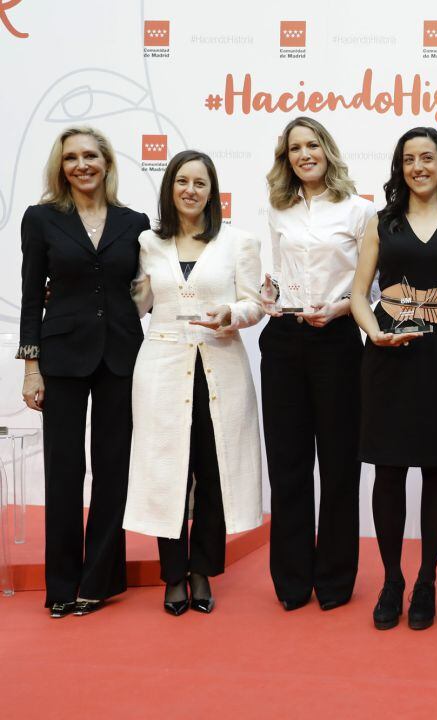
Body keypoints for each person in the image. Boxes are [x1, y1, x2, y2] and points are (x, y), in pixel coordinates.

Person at [123, 150, 264, 615]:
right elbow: (138, 301)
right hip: (161, 366)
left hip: (219, 365)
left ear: (212, 191)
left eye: (200, 183)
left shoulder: (237, 242)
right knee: (168, 471)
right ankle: (172, 575)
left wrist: (233, 314)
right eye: (182, 181)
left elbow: (254, 303)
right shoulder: (147, 242)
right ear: (170, 188)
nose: (190, 190)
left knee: (212, 471)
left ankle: (202, 570)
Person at [18, 126, 150, 618]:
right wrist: (32, 368)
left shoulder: (134, 221)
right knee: (65, 472)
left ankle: (99, 579)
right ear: (61, 166)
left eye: (90, 155)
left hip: (120, 356)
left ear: (107, 162)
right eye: (71, 157)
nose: (82, 165)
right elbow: (33, 295)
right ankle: (62, 586)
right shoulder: (41, 219)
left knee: (114, 470)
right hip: (62, 359)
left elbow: (144, 288)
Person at [351, 127, 437, 631]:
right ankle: (391, 581)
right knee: (387, 471)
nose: (419, 167)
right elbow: (360, 294)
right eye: (409, 159)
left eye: (428, 157)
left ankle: (426, 579)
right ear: (399, 168)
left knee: (436, 469)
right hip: (385, 356)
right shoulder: (381, 223)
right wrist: (374, 334)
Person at [260, 116, 376, 612]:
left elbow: (368, 289)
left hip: (338, 341)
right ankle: (291, 580)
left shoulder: (360, 211)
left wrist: (339, 308)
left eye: (311, 145)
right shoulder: (278, 209)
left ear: (327, 150)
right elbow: (278, 274)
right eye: (294, 149)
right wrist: (269, 294)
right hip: (284, 339)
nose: (304, 154)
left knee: (338, 464)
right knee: (287, 466)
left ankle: (333, 578)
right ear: (285, 158)